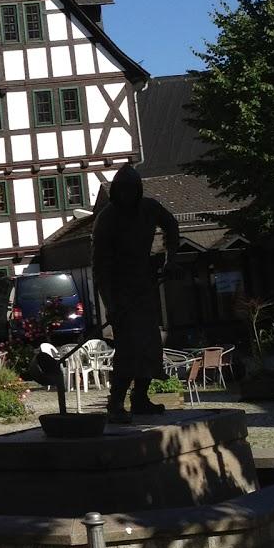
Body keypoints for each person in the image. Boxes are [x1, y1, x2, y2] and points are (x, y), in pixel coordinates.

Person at [92, 164, 180, 423]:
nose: (128, 195)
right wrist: (110, 302)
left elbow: (171, 225)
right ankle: (116, 403)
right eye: (123, 190)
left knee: (150, 345)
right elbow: (100, 266)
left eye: (132, 190)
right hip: (120, 290)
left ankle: (140, 398)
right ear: (116, 192)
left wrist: (170, 259)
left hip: (143, 285)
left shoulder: (149, 209)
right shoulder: (107, 218)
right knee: (128, 349)